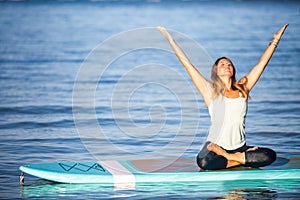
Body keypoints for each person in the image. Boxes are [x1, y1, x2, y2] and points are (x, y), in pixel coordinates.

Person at [157, 24, 288, 170]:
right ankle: (242, 160)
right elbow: (188, 65)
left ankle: (230, 158)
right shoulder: (210, 91)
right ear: (216, 71)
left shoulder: (243, 88)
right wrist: (170, 40)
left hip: (239, 147)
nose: (227, 65)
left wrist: (275, 41)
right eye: (222, 64)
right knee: (204, 162)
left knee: (269, 155)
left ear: (233, 70)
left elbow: (261, 64)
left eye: (229, 64)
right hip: (215, 146)